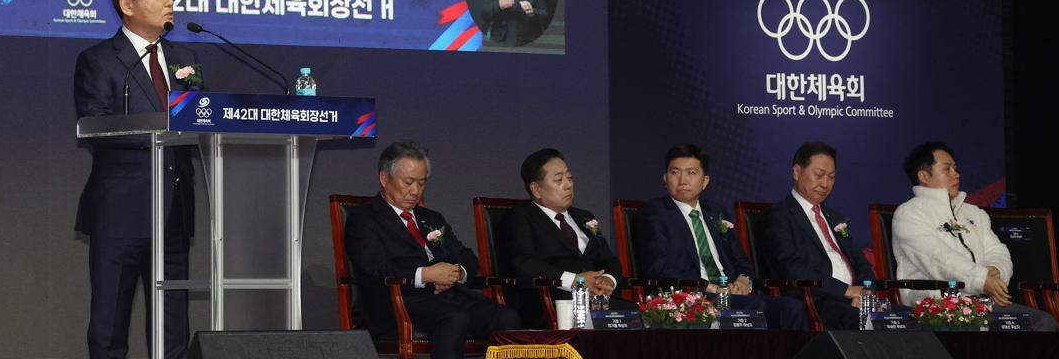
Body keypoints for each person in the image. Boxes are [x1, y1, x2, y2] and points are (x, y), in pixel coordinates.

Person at [74, 0, 201, 359]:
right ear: (127, 5)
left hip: (174, 214)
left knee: (173, 330)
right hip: (121, 212)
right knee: (110, 328)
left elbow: (200, 122)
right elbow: (97, 127)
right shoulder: (99, 60)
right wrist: (161, 129)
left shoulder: (184, 59)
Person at [345, 140, 520, 359]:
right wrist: (426, 275)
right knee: (454, 317)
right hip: (398, 301)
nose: (415, 191)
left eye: (422, 183)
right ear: (384, 178)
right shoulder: (364, 219)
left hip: (448, 296)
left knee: (505, 316)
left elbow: (466, 256)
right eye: (408, 182)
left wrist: (456, 272)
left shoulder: (431, 218)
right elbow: (374, 267)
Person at [633, 143, 810, 330]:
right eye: (675, 172)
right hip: (691, 297)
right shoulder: (654, 213)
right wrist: (709, 286)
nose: (682, 180)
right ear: (665, 178)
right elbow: (657, 268)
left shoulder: (716, 212)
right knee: (756, 308)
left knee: (792, 308)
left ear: (705, 181)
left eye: (691, 173)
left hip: (729, 295)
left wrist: (743, 279)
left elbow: (741, 261)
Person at [892, 141, 1057, 331]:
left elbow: (997, 250)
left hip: (983, 304)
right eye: (947, 169)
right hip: (938, 306)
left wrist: (996, 270)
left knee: (1043, 323)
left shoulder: (974, 213)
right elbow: (938, 259)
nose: (956, 174)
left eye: (956, 168)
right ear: (924, 176)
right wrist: (981, 279)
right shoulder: (909, 214)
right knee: (972, 330)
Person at [503, 148, 628, 327]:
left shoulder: (584, 217)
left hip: (600, 302)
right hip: (557, 303)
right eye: (558, 180)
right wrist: (577, 282)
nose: (568, 185)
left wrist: (609, 280)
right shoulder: (521, 217)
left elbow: (609, 259)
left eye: (569, 178)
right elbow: (524, 263)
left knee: (642, 322)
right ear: (536, 189)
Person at [763, 142, 876, 329]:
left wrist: (865, 292)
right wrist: (846, 291)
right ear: (797, 172)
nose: (825, 184)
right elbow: (790, 268)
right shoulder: (779, 216)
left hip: (853, 300)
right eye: (819, 175)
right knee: (865, 322)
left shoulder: (836, 218)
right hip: (815, 300)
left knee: (903, 320)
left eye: (831, 177)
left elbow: (861, 262)